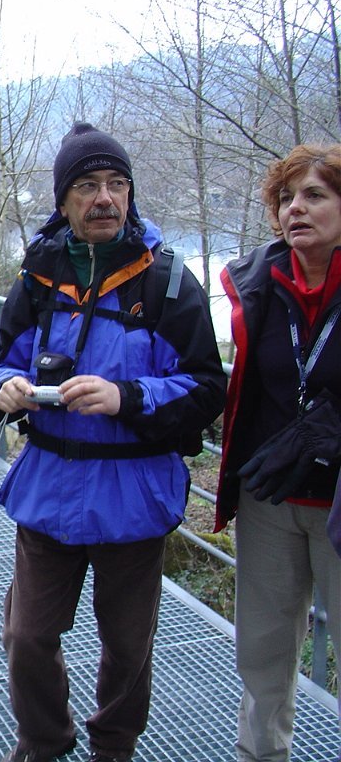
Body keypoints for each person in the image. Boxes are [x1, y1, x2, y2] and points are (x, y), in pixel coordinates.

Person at [0, 122, 226, 762]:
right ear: (63, 200)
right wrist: (5, 389)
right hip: (49, 488)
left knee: (127, 644)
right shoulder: (39, 275)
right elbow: (1, 364)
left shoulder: (166, 282)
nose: (105, 198)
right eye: (87, 185)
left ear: (131, 195)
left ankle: (113, 746)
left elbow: (206, 388)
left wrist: (128, 397)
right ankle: (44, 740)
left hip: (134, 493)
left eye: (117, 184)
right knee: (28, 636)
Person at [215, 143, 341, 762]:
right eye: (286, 198)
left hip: (338, 503)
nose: (296, 209)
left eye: (315, 195)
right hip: (271, 497)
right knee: (262, 653)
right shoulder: (259, 283)